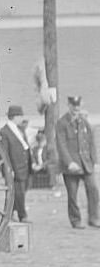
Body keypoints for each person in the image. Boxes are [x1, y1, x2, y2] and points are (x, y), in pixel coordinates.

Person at [55, 95, 100, 229]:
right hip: (71, 166)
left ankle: (94, 218)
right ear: (68, 106)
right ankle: (75, 220)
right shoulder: (62, 123)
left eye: (78, 106)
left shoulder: (84, 122)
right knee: (73, 195)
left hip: (86, 164)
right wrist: (69, 163)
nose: (76, 109)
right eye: (73, 106)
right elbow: (61, 145)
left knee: (93, 190)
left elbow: (91, 143)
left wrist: (94, 161)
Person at [0, 105, 32, 222]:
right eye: (20, 116)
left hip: (24, 166)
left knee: (19, 191)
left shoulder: (19, 129)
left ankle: (10, 212)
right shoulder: (5, 132)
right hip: (15, 167)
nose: (21, 119)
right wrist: (8, 169)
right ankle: (22, 215)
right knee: (19, 193)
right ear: (15, 117)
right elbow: (4, 153)